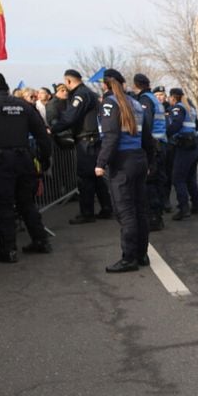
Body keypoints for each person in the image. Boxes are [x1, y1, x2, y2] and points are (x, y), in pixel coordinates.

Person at [0, 71, 54, 263]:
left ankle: (8, 250)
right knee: (27, 203)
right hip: (24, 160)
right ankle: (40, 240)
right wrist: (44, 157)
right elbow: (42, 133)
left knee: (3, 205)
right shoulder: (23, 105)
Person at [94, 70, 152, 273]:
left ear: (105, 85)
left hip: (122, 162)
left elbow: (111, 136)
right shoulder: (135, 103)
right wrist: (149, 161)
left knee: (126, 213)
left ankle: (129, 258)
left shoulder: (110, 103)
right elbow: (147, 136)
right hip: (138, 158)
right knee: (139, 210)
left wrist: (101, 163)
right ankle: (142, 254)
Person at [51, 69, 112, 224]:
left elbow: (70, 117)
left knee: (85, 178)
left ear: (69, 81)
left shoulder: (80, 95)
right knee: (96, 177)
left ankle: (87, 213)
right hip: (93, 139)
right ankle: (106, 208)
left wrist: (53, 129)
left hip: (86, 140)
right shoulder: (89, 93)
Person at [132, 73, 167, 231]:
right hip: (160, 144)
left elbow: (145, 124)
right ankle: (157, 215)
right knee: (157, 183)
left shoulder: (145, 100)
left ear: (136, 85)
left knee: (150, 184)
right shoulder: (153, 98)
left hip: (153, 146)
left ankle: (154, 218)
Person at [166, 87, 198, 220]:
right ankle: (197, 206)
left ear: (173, 98)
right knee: (190, 178)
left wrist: (166, 133)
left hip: (185, 147)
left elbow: (176, 124)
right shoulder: (190, 108)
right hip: (194, 146)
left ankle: (184, 208)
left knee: (177, 178)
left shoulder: (178, 108)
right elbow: (197, 126)